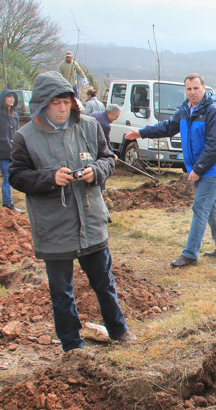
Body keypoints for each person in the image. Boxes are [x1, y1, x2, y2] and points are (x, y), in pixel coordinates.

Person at [9, 71, 132, 352]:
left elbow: (107, 160)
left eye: (67, 102)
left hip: (90, 220)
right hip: (53, 225)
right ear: (42, 104)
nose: (63, 109)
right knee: (61, 292)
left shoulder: (89, 127)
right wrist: (50, 178)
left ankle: (119, 330)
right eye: (56, 103)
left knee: (104, 282)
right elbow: (16, 176)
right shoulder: (25, 137)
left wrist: (96, 171)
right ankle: (72, 345)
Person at [125, 73, 216, 267]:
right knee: (209, 207)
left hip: (214, 167)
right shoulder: (185, 110)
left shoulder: (215, 111)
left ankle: (190, 254)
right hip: (198, 166)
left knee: (200, 207)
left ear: (204, 88)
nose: (192, 92)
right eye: (189, 89)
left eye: (196, 88)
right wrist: (141, 133)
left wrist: (199, 169)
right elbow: (168, 127)